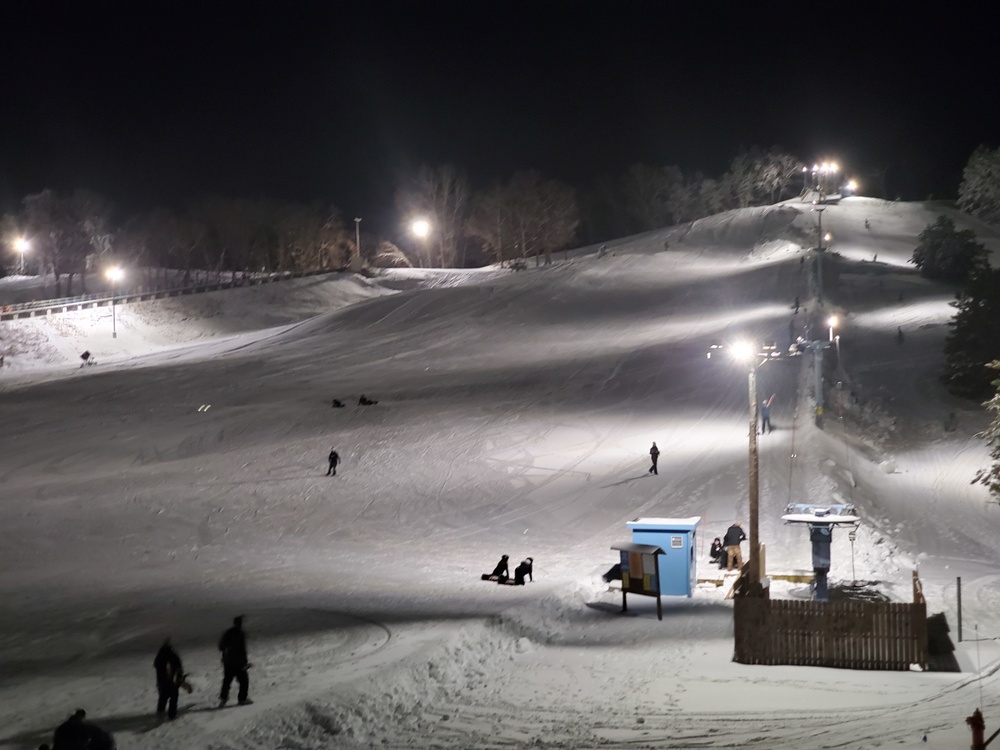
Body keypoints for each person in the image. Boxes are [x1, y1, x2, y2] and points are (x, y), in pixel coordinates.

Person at [218, 616, 251, 707]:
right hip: (239, 663)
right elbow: (242, 650)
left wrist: (225, 656)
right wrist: (245, 663)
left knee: (227, 681)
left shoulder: (228, 633)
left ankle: (223, 699)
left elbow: (221, 646)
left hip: (228, 662)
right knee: (244, 681)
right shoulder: (241, 634)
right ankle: (242, 699)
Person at [153, 638, 185, 720]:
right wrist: (180, 677)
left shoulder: (159, 656)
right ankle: (172, 715)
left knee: (163, 697)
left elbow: (156, 665)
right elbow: (179, 667)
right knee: (173, 697)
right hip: (172, 681)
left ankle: (160, 712)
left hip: (162, 681)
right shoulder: (173, 655)